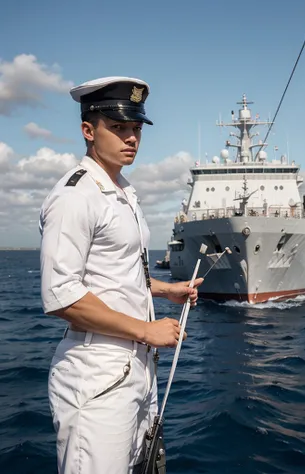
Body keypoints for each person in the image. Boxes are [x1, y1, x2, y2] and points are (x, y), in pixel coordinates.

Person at [39, 76, 203, 474]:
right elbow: (62, 295)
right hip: (98, 374)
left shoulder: (122, 190)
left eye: (135, 128)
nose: (131, 138)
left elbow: (118, 273)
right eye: (118, 128)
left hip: (137, 369)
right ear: (88, 131)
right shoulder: (75, 196)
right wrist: (146, 330)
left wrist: (167, 290)